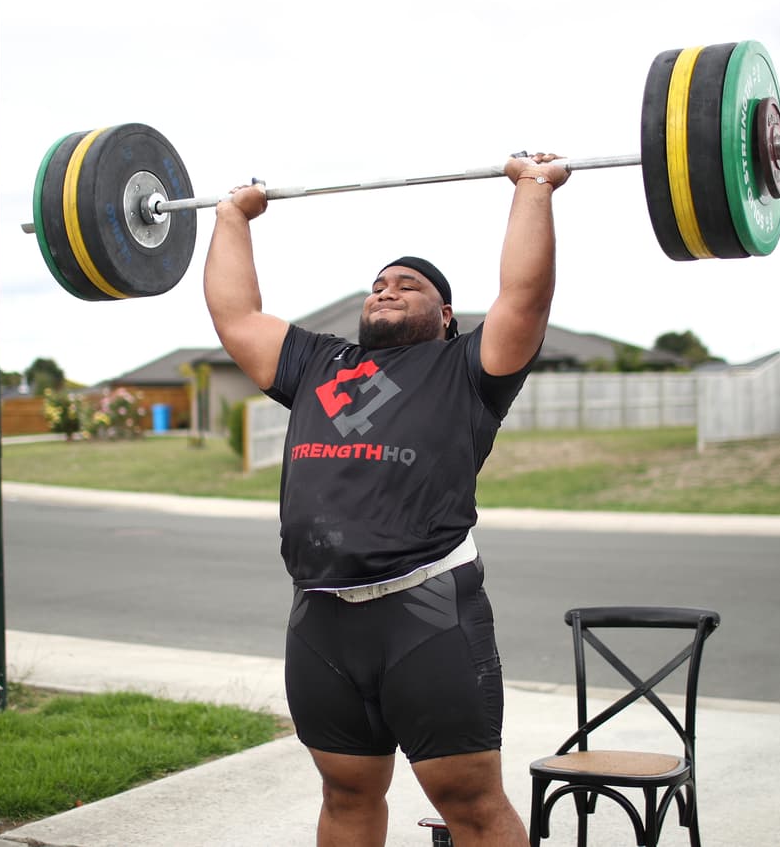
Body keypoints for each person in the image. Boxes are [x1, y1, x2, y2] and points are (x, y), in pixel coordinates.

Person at [202, 152, 570, 847]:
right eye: (377, 283)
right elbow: (236, 313)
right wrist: (231, 217)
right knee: (345, 793)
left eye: (408, 283)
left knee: (472, 803)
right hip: (320, 618)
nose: (387, 289)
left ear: (447, 314)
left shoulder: (467, 369)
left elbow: (525, 298)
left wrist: (533, 188)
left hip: (426, 611)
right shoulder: (319, 363)